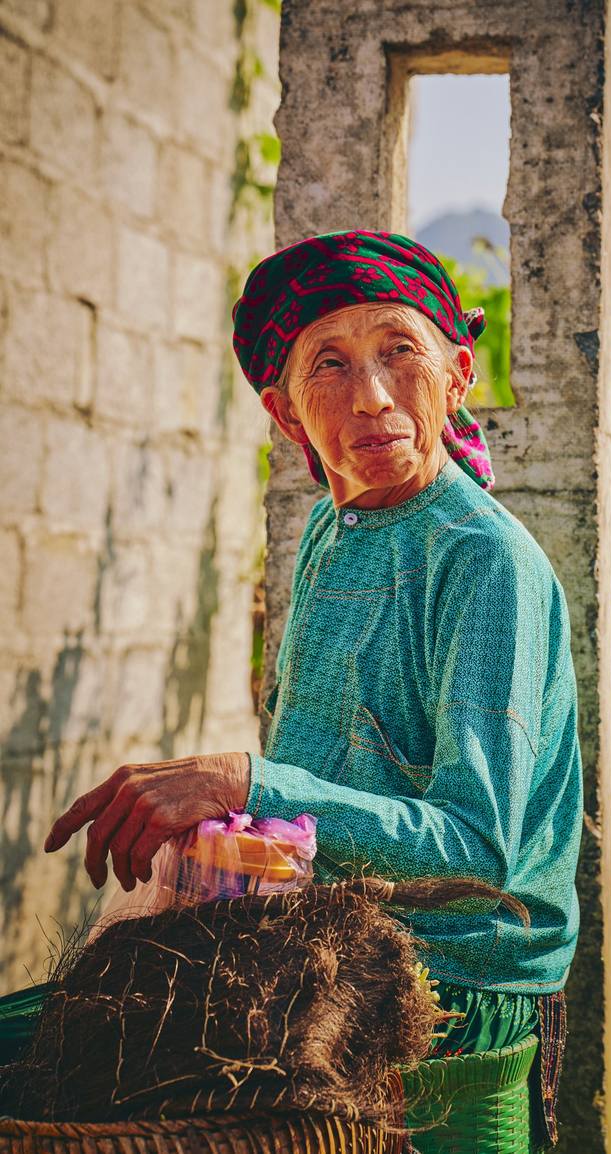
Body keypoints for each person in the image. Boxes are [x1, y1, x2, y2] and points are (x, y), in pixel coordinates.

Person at [44, 230, 583, 1146]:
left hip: (451, 998)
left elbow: (480, 854)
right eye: (328, 366)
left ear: (457, 377)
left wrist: (245, 783)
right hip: (327, 966)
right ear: (288, 415)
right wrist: (226, 845)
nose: (372, 397)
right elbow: (321, 795)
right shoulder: (334, 535)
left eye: (399, 352)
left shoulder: (487, 564)